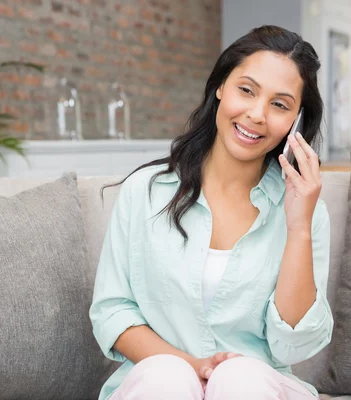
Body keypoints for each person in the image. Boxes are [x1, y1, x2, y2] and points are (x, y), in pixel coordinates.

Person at [89, 25, 333, 400]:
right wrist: (191, 366)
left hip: (256, 387)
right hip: (158, 382)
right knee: (165, 378)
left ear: (296, 122)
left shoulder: (305, 209)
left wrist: (298, 226)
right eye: (246, 90)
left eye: (280, 105)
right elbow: (114, 312)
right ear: (221, 87)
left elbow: (292, 347)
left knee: (239, 378)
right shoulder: (145, 192)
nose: (256, 114)